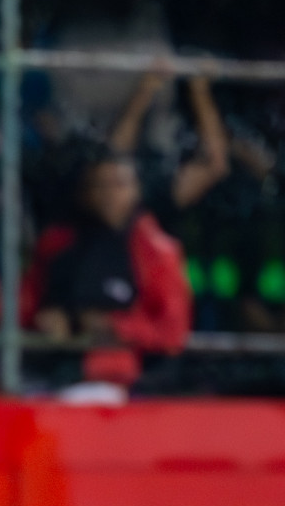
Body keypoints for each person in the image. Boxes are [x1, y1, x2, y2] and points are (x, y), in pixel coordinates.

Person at [22, 150, 192, 390]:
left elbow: (172, 331)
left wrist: (114, 326)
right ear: (84, 194)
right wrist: (45, 321)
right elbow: (28, 305)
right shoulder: (57, 243)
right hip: (54, 370)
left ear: (136, 190)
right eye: (99, 185)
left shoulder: (158, 251)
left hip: (130, 378)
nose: (109, 194)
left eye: (119, 185)